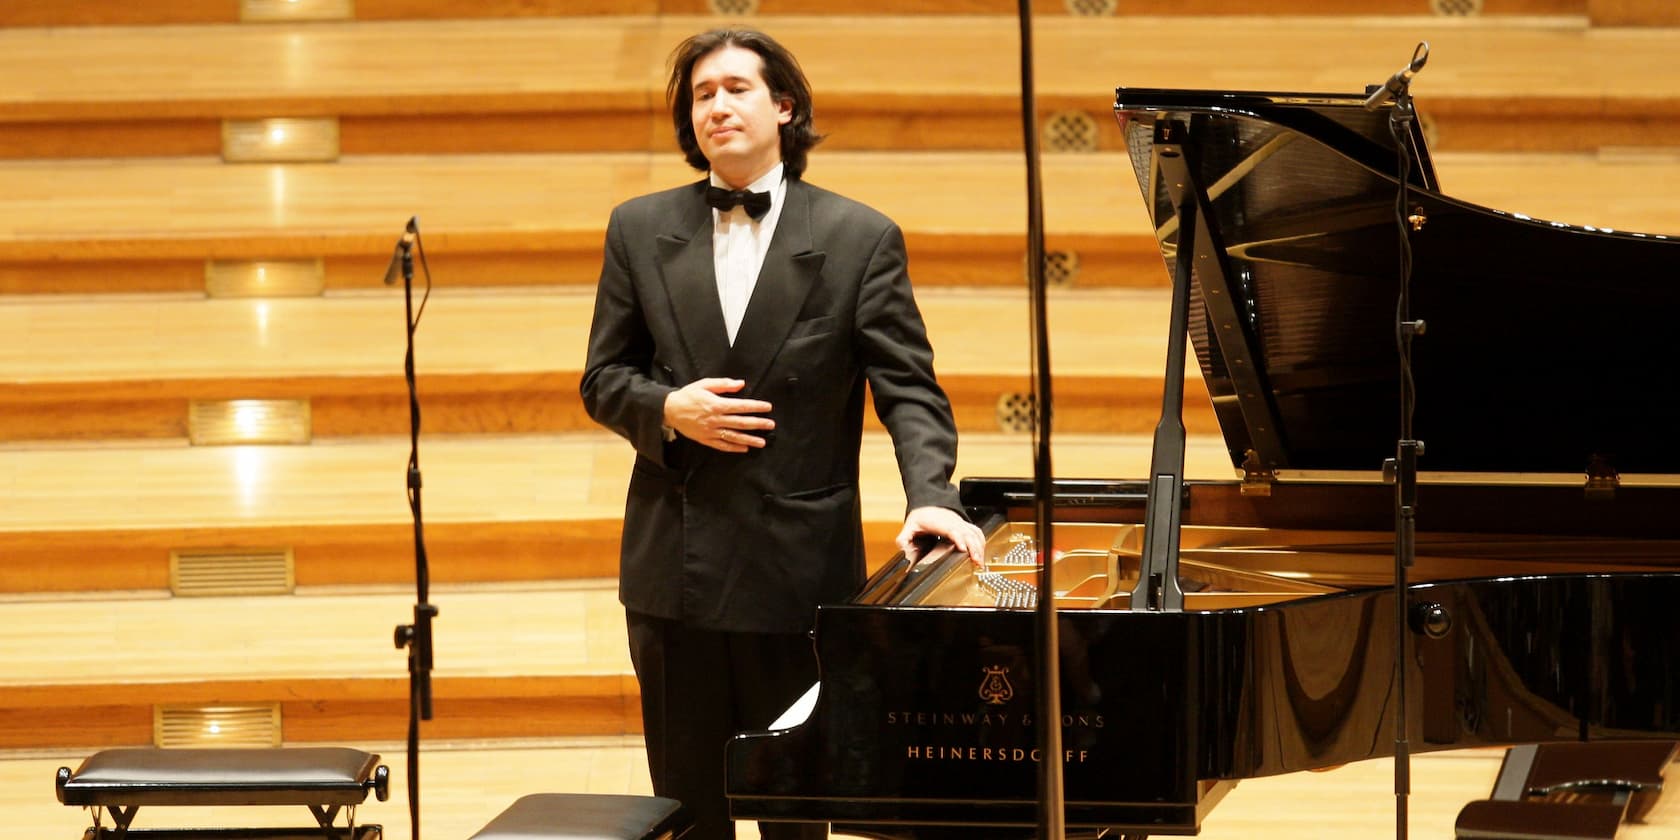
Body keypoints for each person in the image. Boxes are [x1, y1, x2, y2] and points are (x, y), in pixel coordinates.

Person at [580, 27, 985, 840]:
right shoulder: (638, 228)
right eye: (701, 94)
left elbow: (908, 390)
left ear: (784, 106)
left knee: (796, 811)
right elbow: (604, 379)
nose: (717, 106)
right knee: (690, 811)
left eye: (736, 88)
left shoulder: (856, 238)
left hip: (796, 572)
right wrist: (669, 409)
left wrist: (932, 497)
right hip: (674, 579)